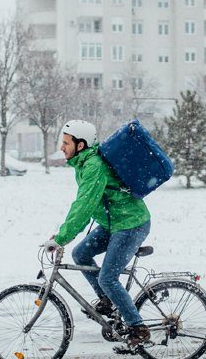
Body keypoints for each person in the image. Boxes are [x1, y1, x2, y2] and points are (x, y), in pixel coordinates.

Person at [44, 119, 152, 346]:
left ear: (80, 145)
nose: (62, 147)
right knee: (81, 253)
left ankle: (138, 328)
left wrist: (62, 237)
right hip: (114, 223)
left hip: (130, 224)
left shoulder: (93, 166)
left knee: (108, 277)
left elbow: (84, 205)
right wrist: (66, 235)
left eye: (66, 143)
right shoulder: (83, 164)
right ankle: (107, 300)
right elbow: (88, 205)